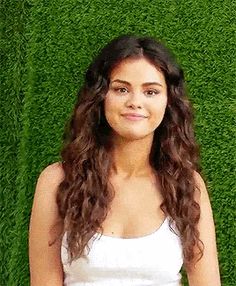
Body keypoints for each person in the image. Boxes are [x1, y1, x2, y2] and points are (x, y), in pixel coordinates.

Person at [28, 34, 221, 286]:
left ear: (168, 102)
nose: (135, 102)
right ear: (100, 97)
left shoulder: (186, 185)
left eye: (151, 91)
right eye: (121, 89)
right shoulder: (57, 181)